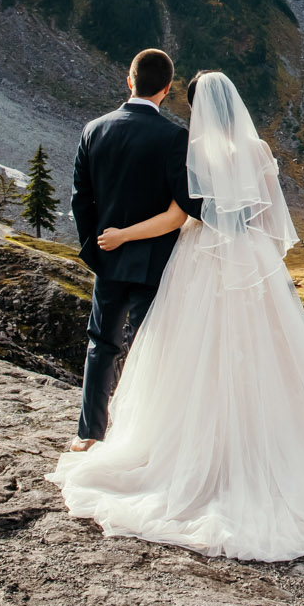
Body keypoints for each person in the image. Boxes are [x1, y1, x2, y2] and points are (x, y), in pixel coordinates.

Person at [54, 69, 304, 561]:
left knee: (185, 352)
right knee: (263, 354)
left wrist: (115, 238)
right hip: (252, 260)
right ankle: (265, 446)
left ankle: (137, 440)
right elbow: (272, 218)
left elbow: (179, 216)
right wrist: (263, 266)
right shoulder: (259, 152)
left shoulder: (194, 153)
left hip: (200, 257)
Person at [68, 48, 200, 451]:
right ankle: (146, 440)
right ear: (167, 89)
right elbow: (188, 202)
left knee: (100, 345)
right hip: (155, 264)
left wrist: (97, 249)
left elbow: (80, 200)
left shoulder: (94, 129)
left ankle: (89, 434)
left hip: (108, 259)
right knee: (150, 350)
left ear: (130, 81)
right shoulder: (174, 137)